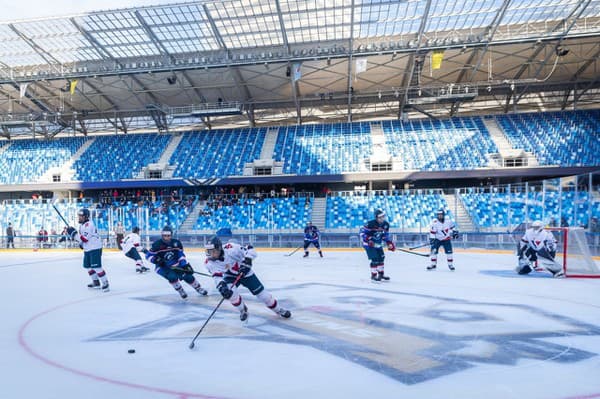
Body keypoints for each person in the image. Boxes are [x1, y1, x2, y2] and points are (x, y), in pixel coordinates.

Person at [204, 236, 291, 321]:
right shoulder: (209, 262)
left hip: (246, 274)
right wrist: (222, 287)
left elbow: (250, 249)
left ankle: (278, 310)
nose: (210, 254)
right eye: (209, 251)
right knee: (231, 295)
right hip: (230, 276)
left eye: (213, 251)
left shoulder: (231, 248)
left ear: (219, 248)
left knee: (264, 296)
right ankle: (242, 310)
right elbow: (217, 277)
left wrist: (247, 261)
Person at [145, 225, 208, 299]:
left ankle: (198, 288)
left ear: (171, 235)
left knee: (188, 276)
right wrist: (156, 260)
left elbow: (180, 255)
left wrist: (184, 265)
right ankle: (180, 290)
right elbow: (148, 256)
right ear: (162, 235)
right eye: (165, 236)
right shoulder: (157, 245)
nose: (166, 238)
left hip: (176, 265)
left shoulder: (176, 243)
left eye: (168, 236)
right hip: (163, 267)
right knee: (172, 277)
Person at [66, 208, 110, 292]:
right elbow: (83, 240)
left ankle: (105, 283)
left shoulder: (89, 225)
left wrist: (73, 234)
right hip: (88, 249)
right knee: (88, 266)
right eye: (79, 216)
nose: (79, 217)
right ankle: (96, 282)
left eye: (81, 216)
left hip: (94, 248)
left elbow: (84, 239)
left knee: (96, 267)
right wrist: (80, 243)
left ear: (86, 216)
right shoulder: (82, 225)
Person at [359, 209, 395, 282]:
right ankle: (374, 275)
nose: (382, 218)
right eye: (380, 217)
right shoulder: (370, 224)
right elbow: (361, 233)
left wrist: (389, 243)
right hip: (368, 245)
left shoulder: (386, 224)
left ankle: (381, 274)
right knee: (375, 259)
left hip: (378, 244)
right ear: (376, 217)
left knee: (381, 258)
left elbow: (385, 235)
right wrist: (369, 240)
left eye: (383, 216)